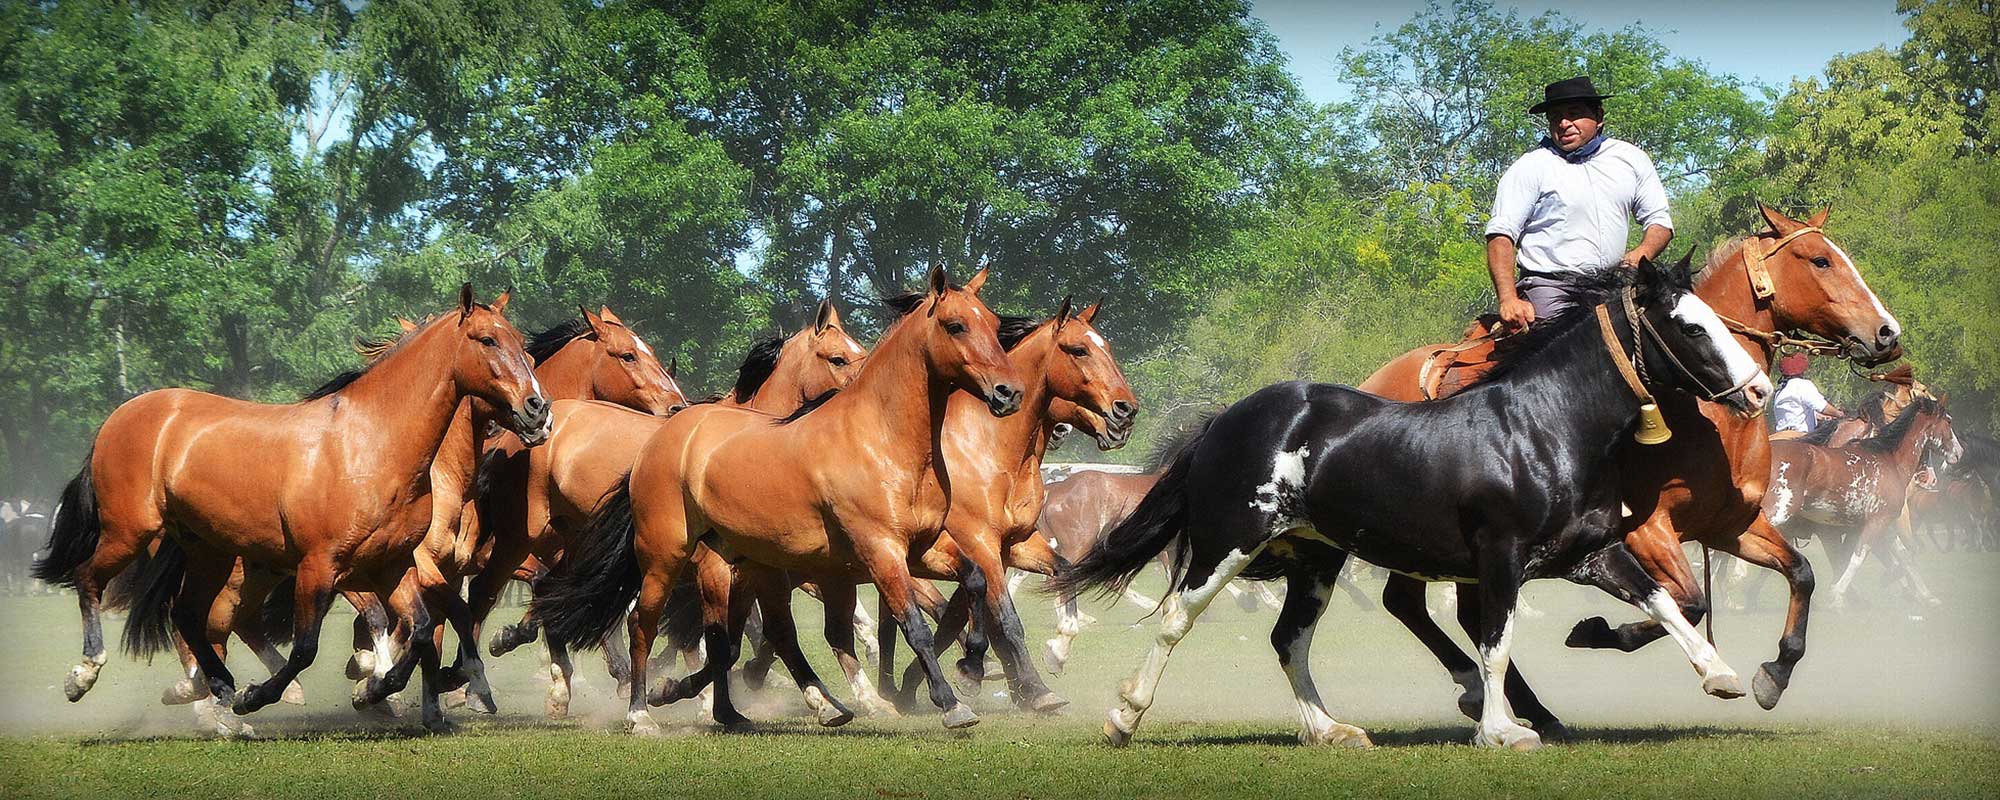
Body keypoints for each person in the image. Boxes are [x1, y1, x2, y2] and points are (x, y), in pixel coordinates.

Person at [1486, 76, 1674, 330]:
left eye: (1574, 114)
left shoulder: (1630, 159)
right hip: (1551, 288)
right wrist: (1508, 299)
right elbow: (1501, 234)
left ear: (1599, 116)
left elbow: (1659, 221)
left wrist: (1641, 254)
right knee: (1562, 354)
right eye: (1555, 117)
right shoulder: (1531, 167)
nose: (1564, 123)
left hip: (1613, 285)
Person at [1772, 352, 1843, 435]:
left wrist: (1820, 416)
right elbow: (1823, 407)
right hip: (1799, 435)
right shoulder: (1803, 385)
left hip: (1780, 434)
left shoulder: (1780, 390)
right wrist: (1839, 414)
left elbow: (1794, 412)